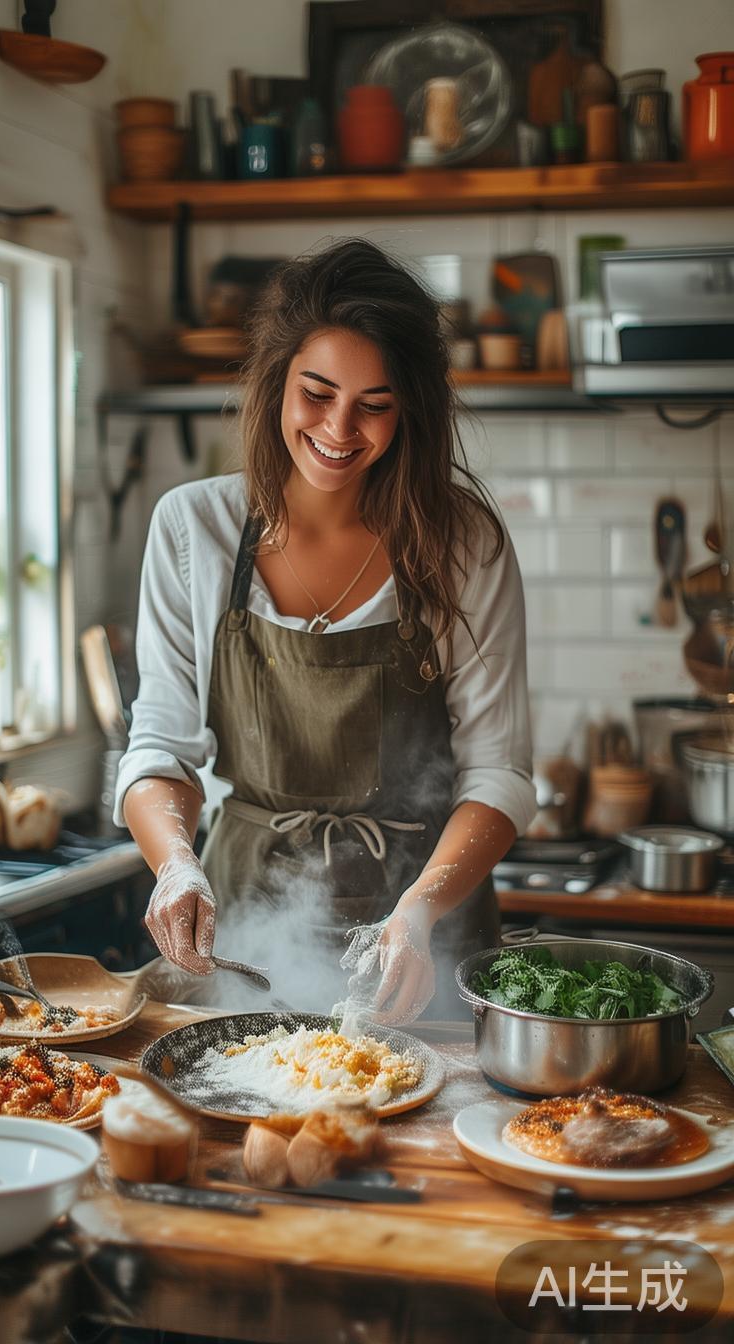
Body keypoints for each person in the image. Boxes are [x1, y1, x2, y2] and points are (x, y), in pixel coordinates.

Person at [114, 238, 536, 1023]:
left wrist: (417, 911)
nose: (341, 430)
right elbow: (161, 747)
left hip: (426, 928)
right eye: (317, 392)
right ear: (276, 381)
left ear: (410, 408)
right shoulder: (193, 528)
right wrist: (174, 866)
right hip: (244, 918)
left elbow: (499, 771)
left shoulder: (464, 541)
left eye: (375, 403)